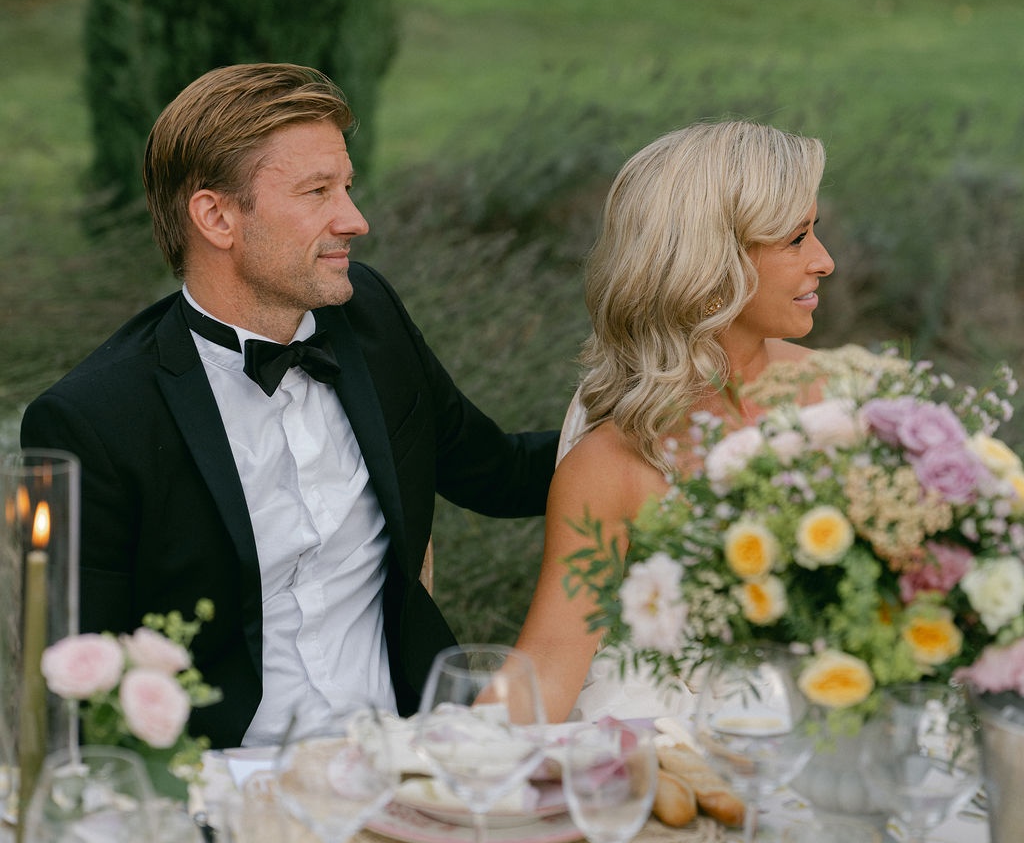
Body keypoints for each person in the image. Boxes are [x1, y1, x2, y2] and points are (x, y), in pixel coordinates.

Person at [21, 63, 558, 748]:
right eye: (317, 192)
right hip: (224, 784)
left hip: (410, 751)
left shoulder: (372, 321)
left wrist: (661, 429)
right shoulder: (95, 419)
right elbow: (75, 687)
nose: (356, 220)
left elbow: (497, 469)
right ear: (217, 216)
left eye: (348, 187)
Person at [512, 120, 838, 723]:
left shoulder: (839, 396)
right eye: (796, 239)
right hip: (655, 750)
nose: (825, 260)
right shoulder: (612, 461)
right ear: (713, 267)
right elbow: (549, 664)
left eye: (815, 231)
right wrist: (441, 771)